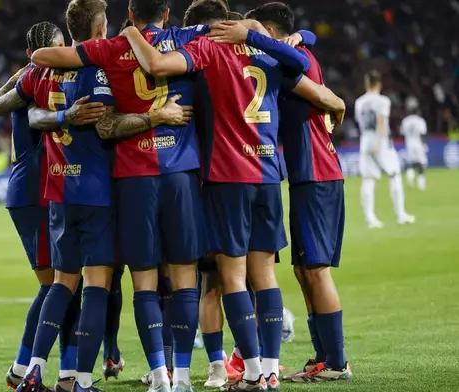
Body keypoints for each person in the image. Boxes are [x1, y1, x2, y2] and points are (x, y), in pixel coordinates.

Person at [121, 1, 346, 390]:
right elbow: (304, 66)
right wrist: (336, 101)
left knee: (232, 278)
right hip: (269, 177)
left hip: (227, 177)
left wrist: (127, 35)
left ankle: (253, 371)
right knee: (266, 276)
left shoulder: (208, 49)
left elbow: (157, 66)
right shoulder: (270, 53)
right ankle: (272, 372)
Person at [31, 1, 215, 391]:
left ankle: (160, 376)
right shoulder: (186, 38)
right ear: (166, 14)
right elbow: (235, 32)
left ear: (130, 15)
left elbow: (41, 55)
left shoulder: (109, 48)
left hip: (134, 177)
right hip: (181, 173)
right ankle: (183, 374)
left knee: (143, 281)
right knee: (184, 278)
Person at [243, 1, 352, 383]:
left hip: (317, 174)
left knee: (317, 270)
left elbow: (305, 66)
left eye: (257, 33)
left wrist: (271, 39)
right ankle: (323, 357)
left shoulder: (293, 57)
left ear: (270, 34)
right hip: (309, 175)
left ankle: (337, 362)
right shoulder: (290, 53)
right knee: (305, 268)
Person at [0, 21, 94, 392]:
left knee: (68, 283)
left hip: (44, 188)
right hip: (35, 191)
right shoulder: (41, 82)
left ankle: (66, 374)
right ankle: (23, 369)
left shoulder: (34, 81)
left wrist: (22, 71)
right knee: (55, 285)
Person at [355, 70, 415, 228]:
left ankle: (370, 218)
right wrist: (378, 142)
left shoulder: (359, 102)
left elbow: (360, 123)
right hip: (380, 141)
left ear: (366, 84)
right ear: (379, 84)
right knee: (394, 174)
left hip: (365, 140)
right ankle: (400, 214)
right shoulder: (383, 101)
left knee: (368, 179)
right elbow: (381, 122)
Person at [400, 97, 428, 190]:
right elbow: (422, 134)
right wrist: (424, 144)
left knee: (411, 163)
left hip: (409, 144)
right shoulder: (420, 121)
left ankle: (409, 179)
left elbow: (402, 133)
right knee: (421, 163)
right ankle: (421, 183)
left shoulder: (405, 121)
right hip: (418, 143)